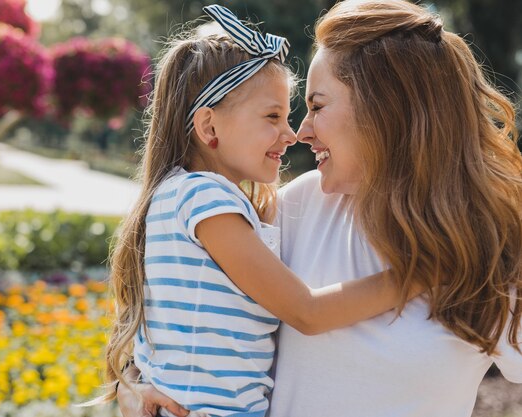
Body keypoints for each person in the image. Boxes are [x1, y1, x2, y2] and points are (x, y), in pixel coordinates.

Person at [116, 0, 522, 416]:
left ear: (384, 111)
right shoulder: (294, 209)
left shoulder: (489, 246)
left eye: (317, 106)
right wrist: (135, 383)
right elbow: (178, 301)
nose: (300, 132)